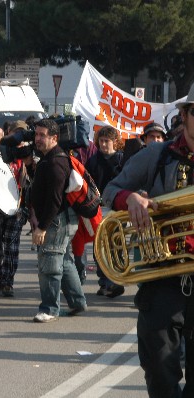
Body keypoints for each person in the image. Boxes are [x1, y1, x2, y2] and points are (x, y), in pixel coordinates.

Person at [102, 84, 194, 397]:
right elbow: (110, 190)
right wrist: (129, 200)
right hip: (162, 281)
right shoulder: (156, 154)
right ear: (184, 115)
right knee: (159, 372)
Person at [30, 119, 87, 323]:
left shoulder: (55, 162)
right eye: (36, 134)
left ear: (54, 138)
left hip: (56, 221)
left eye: (42, 135)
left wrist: (42, 227)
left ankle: (49, 309)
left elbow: (54, 200)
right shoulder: (50, 158)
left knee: (50, 264)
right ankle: (77, 302)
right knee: (63, 260)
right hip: (61, 219)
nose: (37, 139)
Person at [0, 120, 30, 297]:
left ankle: (8, 282)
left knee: (11, 245)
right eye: (15, 133)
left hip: (17, 206)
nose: (18, 138)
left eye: (22, 134)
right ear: (9, 133)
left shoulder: (29, 155)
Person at [84, 126, 124, 298]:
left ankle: (115, 282)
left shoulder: (122, 160)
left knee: (115, 245)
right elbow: (87, 182)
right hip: (98, 208)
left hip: (116, 208)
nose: (103, 144)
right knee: (99, 247)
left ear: (115, 141)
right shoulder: (93, 161)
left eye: (107, 141)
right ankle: (104, 282)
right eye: (101, 141)